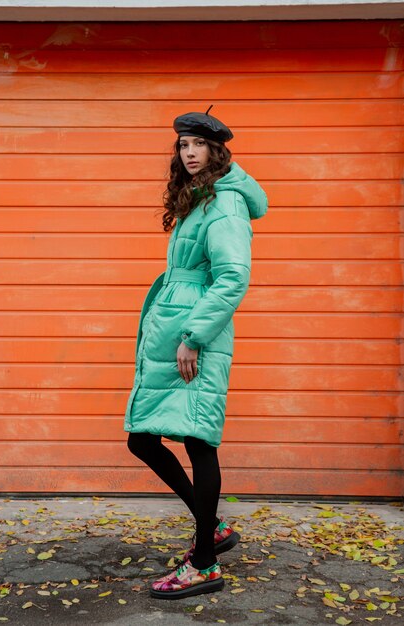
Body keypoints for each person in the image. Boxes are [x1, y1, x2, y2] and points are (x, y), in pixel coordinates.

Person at [124, 106, 268, 599]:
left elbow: (232, 278)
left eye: (198, 145)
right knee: (143, 439)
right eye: (183, 145)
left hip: (193, 335)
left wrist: (193, 337)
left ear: (216, 150)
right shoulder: (199, 198)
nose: (188, 153)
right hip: (176, 327)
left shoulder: (225, 204)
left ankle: (205, 562)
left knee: (197, 440)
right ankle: (213, 529)